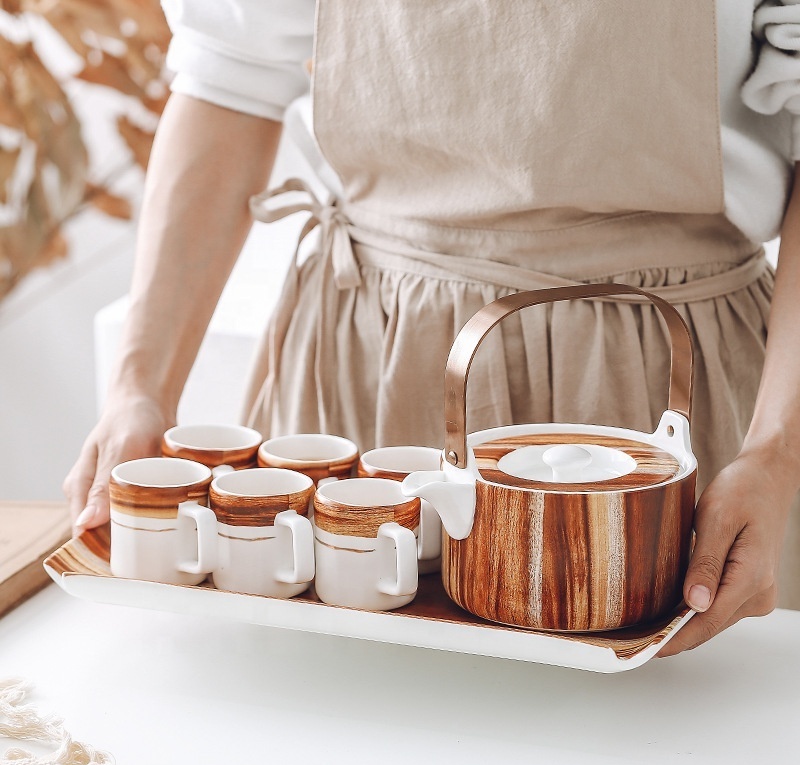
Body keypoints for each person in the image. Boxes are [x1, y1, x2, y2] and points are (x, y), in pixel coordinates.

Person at [64, 1, 800, 656]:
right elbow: (230, 79)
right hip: (370, 354)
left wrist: (775, 454)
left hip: (655, 384)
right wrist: (141, 388)